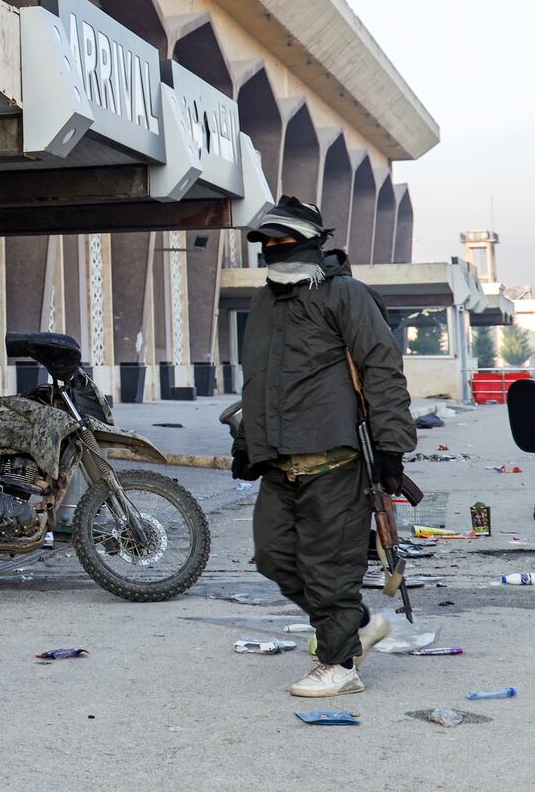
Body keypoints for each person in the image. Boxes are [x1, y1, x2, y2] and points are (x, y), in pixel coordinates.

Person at [231, 196, 417, 698]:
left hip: (336, 460)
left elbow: (382, 371)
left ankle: (340, 665)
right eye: (265, 242)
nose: (272, 249)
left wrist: (391, 448)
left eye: (283, 240)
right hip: (279, 464)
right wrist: (248, 444)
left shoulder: (346, 295)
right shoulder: (264, 302)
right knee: (274, 559)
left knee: (329, 567)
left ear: (313, 243)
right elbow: (259, 383)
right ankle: (354, 624)